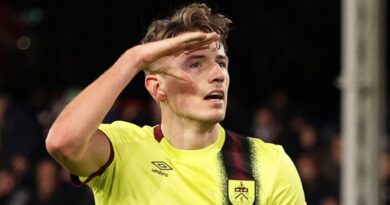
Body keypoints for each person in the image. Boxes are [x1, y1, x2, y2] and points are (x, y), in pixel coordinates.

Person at [46, 3, 306, 205]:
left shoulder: (267, 164)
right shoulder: (123, 149)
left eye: (221, 63)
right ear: (157, 87)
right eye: (195, 64)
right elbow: (62, 142)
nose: (217, 74)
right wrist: (134, 58)